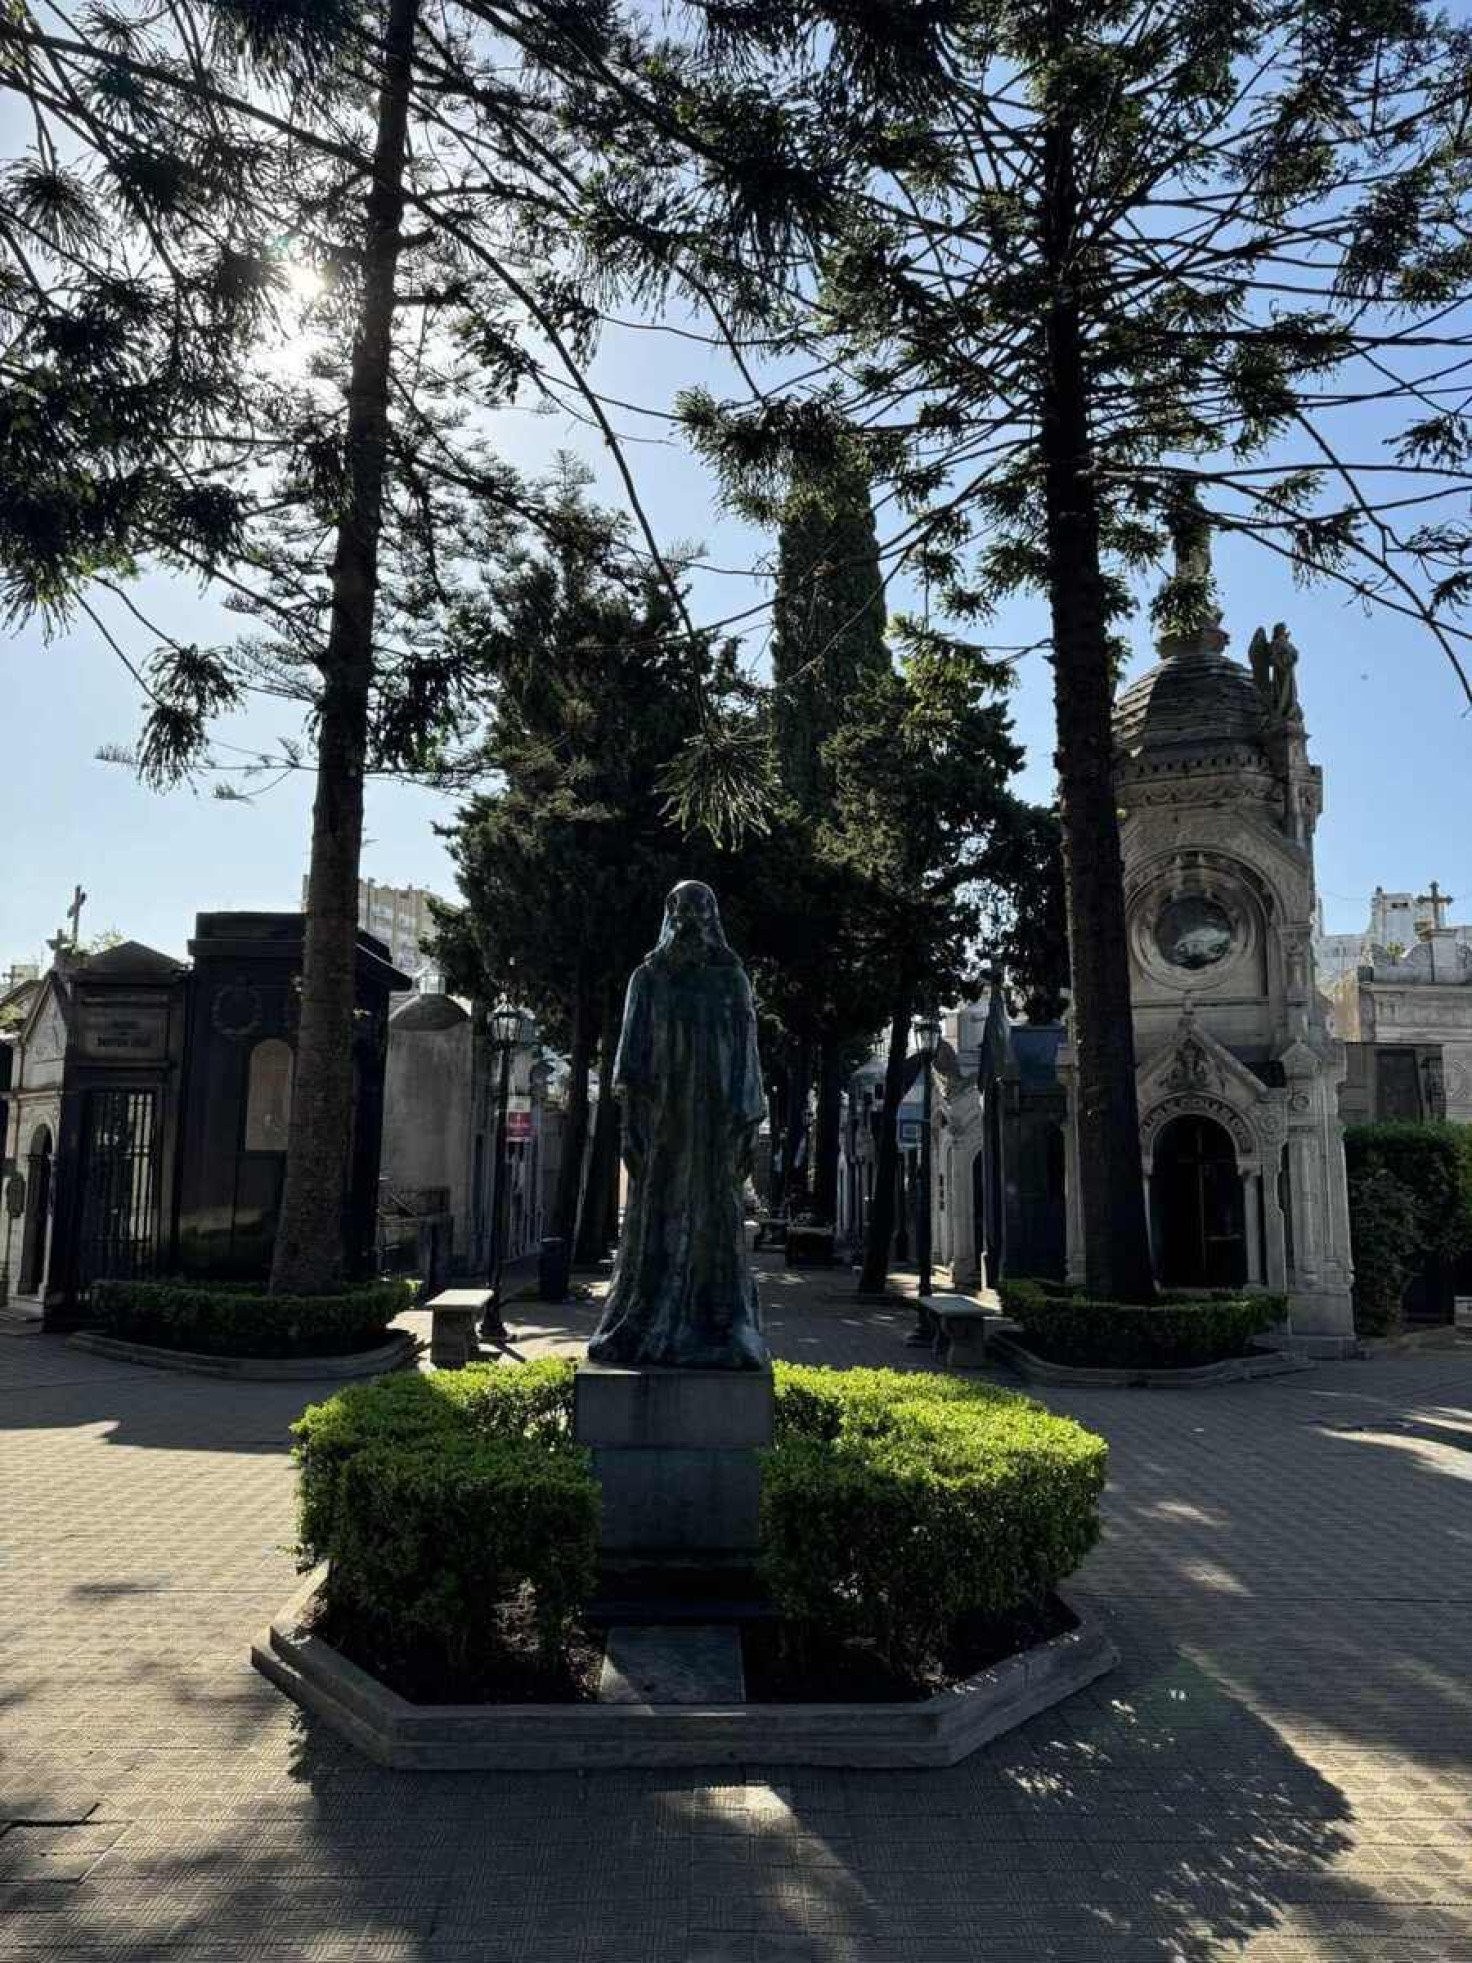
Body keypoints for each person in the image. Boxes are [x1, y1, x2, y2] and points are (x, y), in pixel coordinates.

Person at [586, 881, 769, 1369]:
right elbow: (630, 1064)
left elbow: (747, 1056)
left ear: (713, 918)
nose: (691, 920)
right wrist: (629, 1129)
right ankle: (644, 1322)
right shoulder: (647, 979)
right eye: (682, 911)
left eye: (701, 911)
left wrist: (748, 1125)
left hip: (716, 1128)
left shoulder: (732, 980)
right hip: (663, 1125)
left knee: (718, 1218)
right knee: (656, 1217)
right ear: (670, 916)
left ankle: (725, 1325)